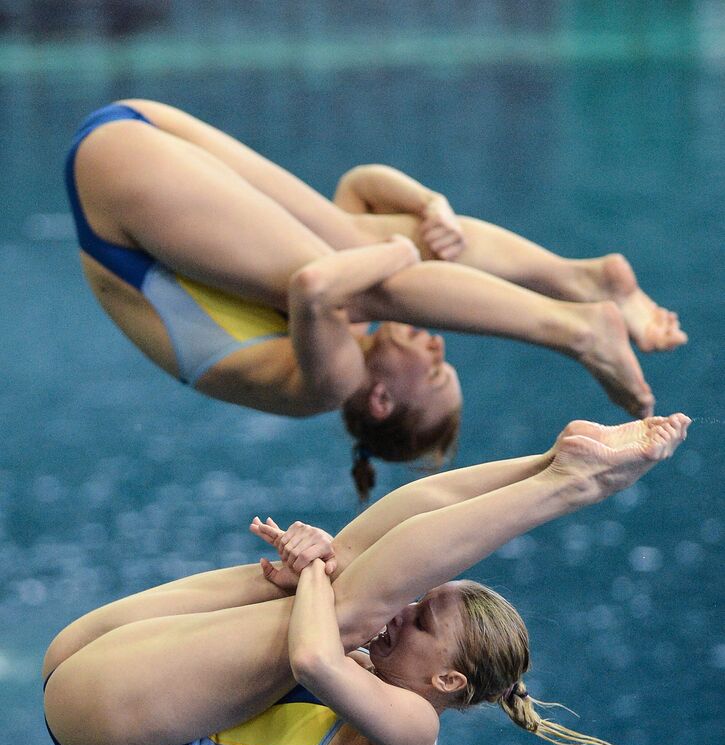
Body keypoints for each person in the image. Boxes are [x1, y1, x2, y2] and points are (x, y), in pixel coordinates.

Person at [42, 413, 689, 745]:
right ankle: (549, 463)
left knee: (344, 603)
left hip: (121, 734)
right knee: (346, 564)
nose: (404, 613)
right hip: (88, 668)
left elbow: (314, 660)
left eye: (423, 623)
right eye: (417, 601)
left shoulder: (411, 733)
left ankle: (571, 486)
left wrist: (314, 572)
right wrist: (314, 567)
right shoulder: (387, 670)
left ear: (447, 682)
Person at [66, 99, 686, 498]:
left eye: (437, 369)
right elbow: (359, 187)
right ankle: (582, 280)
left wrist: (399, 251)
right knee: (366, 250)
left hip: (116, 189)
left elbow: (316, 288)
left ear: (383, 399)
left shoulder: (326, 385)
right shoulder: (349, 343)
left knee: (362, 283)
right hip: (141, 135)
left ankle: (577, 328)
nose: (440, 343)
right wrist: (425, 204)